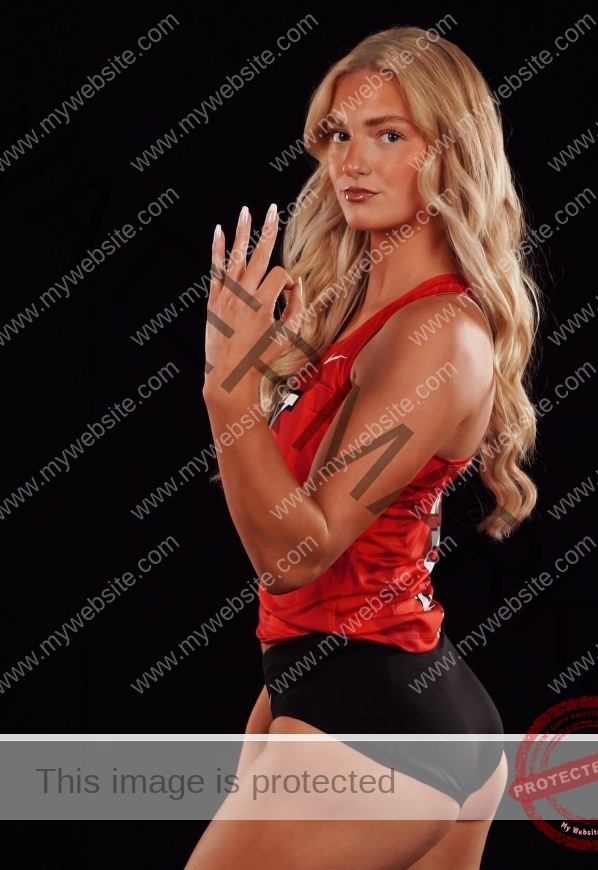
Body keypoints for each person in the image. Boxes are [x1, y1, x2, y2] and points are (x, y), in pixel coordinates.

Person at [186, 24, 541, 870]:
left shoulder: (438, 331)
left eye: (390, 135)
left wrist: (226, 391)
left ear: (450, 151)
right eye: (339, 134)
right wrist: (275, 712)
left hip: (380, 724)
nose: (352, 160)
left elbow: (302, 553)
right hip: (353, 694)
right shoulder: (354, 310)